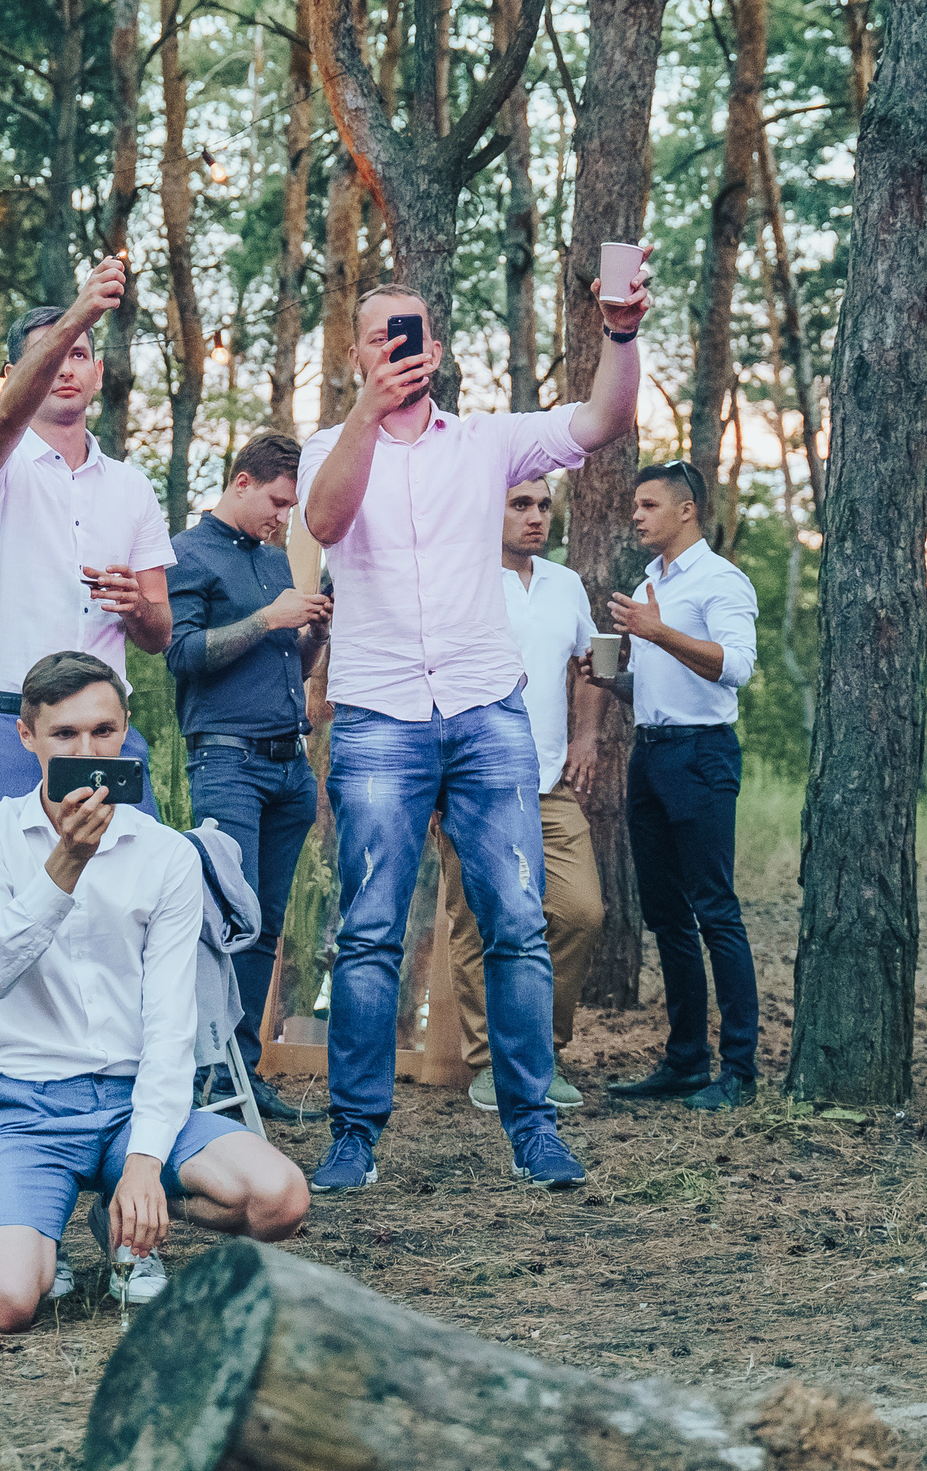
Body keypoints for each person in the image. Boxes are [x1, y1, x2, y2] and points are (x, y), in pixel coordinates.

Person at [296, 267, 652, 1194]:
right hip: (377, 715)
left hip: (486, 710)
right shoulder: (328, 446)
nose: (396, 351)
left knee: (518, 926)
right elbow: (327, 519)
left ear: (437, 350)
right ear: (357, 353)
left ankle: (533, 1127)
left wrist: (620, 334)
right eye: (380, 338)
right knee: (369, 932)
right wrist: (369, 417)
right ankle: (354, 1137)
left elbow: (601, 422)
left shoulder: (488, 442)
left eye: (410, 336)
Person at [0, 652, 309, 1332]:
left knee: (279, 1197)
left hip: (134, 1096)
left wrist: (144, 1158)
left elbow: (172, 1020)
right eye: (65, 735)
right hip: (30, 1103)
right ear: (28, 737)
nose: (88, 750)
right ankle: (37, 1226)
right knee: (4, 1302)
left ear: (125, 732)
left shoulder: (164, 853)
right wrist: (64, 866)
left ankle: (116, 1206)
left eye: (104, 731)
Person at [0, 255, 171, 811]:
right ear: (14, 378)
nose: (65, 369)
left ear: (99, 374)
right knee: (3, 893)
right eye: (49, 358)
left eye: (79, 355)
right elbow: (3, 420)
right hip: (8, 723)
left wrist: (135, 608)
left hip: (105, 729)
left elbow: (159, 632)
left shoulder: (132, 487)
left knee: (127, 890)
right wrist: (77, 317)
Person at [165, 431, 328, 1122]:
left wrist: (315, 630)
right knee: (225, 924)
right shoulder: (182, 553)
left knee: (264, 929)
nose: (282, 518)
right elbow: (180, 653)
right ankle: (208, 1079)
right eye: (277, 502)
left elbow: (288, 661)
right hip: (227, 764)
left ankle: (245, 1070)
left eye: (290, 508)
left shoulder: (273, 559)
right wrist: (270, 617)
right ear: (240, 481)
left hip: (289, 766)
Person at [591, 461, 762, 1112]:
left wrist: (657, 630)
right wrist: (614, 681)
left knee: (715, 909)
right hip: (652, 752)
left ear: (686, 509)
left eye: (648, 503)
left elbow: (737, 667)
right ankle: (687, 1058)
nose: (636, 514)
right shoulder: (648, 583)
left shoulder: (720, 580)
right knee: (665, 915)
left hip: (702, 755)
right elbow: (661, 684)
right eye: (635, 504)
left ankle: (739, 1069)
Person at [438, 475, 606, 1113]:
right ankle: (491, 1066)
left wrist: (587, 737)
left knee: (580, 913)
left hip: (549, 783)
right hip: (472, 784)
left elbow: (595, 662)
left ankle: (539, 1054)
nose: (536, 518)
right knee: (478, 924)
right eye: (520, 505)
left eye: (543, 506)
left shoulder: (565, 584)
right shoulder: (461, 578)